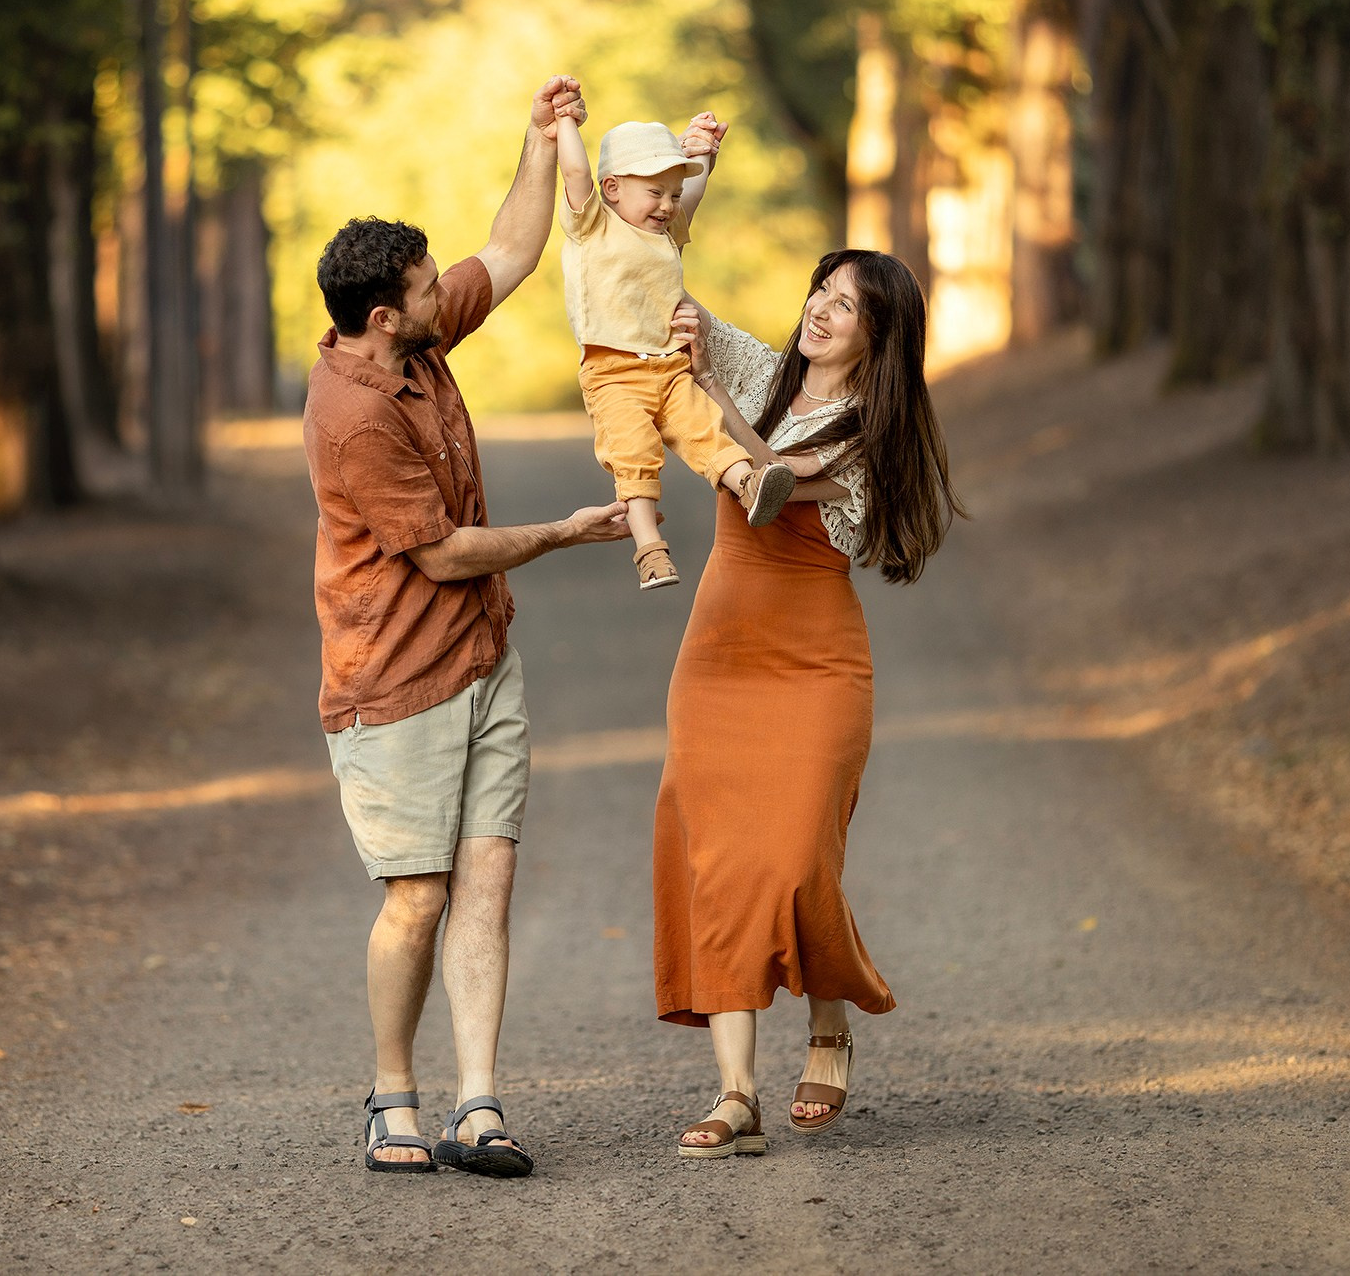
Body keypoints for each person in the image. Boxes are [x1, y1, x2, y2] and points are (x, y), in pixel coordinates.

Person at [303, 76, 635, 1179]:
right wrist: (565, 532)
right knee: (418, 895)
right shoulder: (353, 416)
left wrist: (539, 140)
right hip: (394, 682)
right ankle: (391, 1095)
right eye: (422, 285)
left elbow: (513, 247)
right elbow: (442, 554)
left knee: (486, 882)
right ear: (382, 317)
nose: (441, 289)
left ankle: (478, 1103)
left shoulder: (417, 338)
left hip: (483, 661)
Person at [652, 246, 965, 1158]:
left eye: (846, 305)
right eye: (820, 292)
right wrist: (669, 202)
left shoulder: (874, 433)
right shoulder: (764, 369)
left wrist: (711, 389)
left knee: (794, 859)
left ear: (879, 336)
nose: (820, 310)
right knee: (719, 858)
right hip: (719, 653)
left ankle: (831, 1023)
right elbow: (661, 282)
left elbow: (770, 484)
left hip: (816, 662)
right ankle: (736, 1092)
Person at [552, 107, 798, 590]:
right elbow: (576, 172)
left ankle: (749, 485)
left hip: (669, 367)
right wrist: (565, 121)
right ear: (613, 188)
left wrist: (703, 147)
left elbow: (694, 188)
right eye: (655, 192)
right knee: (634, 452)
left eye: (672, 195)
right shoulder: (593, 226)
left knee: (706, 429)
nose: (666, 205)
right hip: (613, 372)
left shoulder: (665, 234)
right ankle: (650, 550)